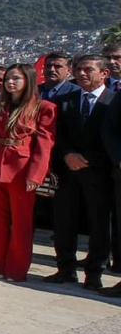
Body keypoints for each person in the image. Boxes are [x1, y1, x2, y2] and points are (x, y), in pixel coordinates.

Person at [0, 64, 55, 282]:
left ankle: (16, 269)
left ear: (28, 80)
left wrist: (35, 175)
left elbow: (44, 144)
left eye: (16, 78)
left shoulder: (43, 107)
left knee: (21, 223)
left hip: (21, 170)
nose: (10, 82)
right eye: (8, 78)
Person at [47, 55, 114, 290]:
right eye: (79, 70)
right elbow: (57, 133)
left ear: (104, 73)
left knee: (99, 224)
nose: (82, 74)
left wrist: (89, 159)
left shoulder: (113, 101)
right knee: (64, 221)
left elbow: (112, 137)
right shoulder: (66, 99)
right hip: (67, 172)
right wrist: (67, 155)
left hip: (100, 173)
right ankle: (65, 269)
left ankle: (94, 272)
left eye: (88, 70)